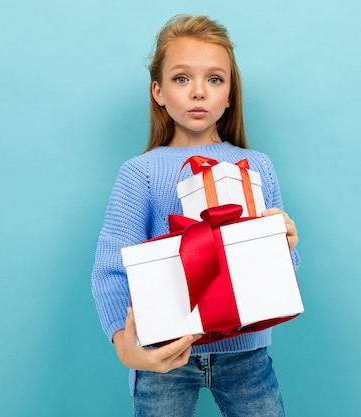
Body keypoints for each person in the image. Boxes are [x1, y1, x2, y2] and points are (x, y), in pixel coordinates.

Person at [92, 14, 300, 417]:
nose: (199, 92)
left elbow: (281, 273)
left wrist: (285, 247)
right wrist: (127, 348)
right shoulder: (141, 173)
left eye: (215, 80)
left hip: (247, 353)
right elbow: (112, 266)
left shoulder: (256, 166)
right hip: (166, 354)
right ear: (159, 91)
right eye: (182, 79)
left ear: (230, 95)